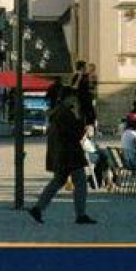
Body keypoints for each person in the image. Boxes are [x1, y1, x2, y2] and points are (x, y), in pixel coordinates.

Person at [27, 88, 96, 225]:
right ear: (68, 98)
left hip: (62, 154)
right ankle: (80, 214)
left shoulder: (58, 112)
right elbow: (75, 133)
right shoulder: (66, 114)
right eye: (73, 98)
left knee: (58, 181)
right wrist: (80, 120)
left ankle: (38, 208)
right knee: (80, 182)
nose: (75, 101)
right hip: (69, 154)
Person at [70, 60, 96, 126]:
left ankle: (89, 127)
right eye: (85, 67)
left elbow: (91, 87)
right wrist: (79, 77)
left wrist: (91, 78)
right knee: (80, 115)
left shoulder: (87, 76)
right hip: (79, 99)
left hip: (87, 99)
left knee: (90, 116)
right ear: (81, 68)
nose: (86, 68)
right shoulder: (75, 76)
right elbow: (74, 87)